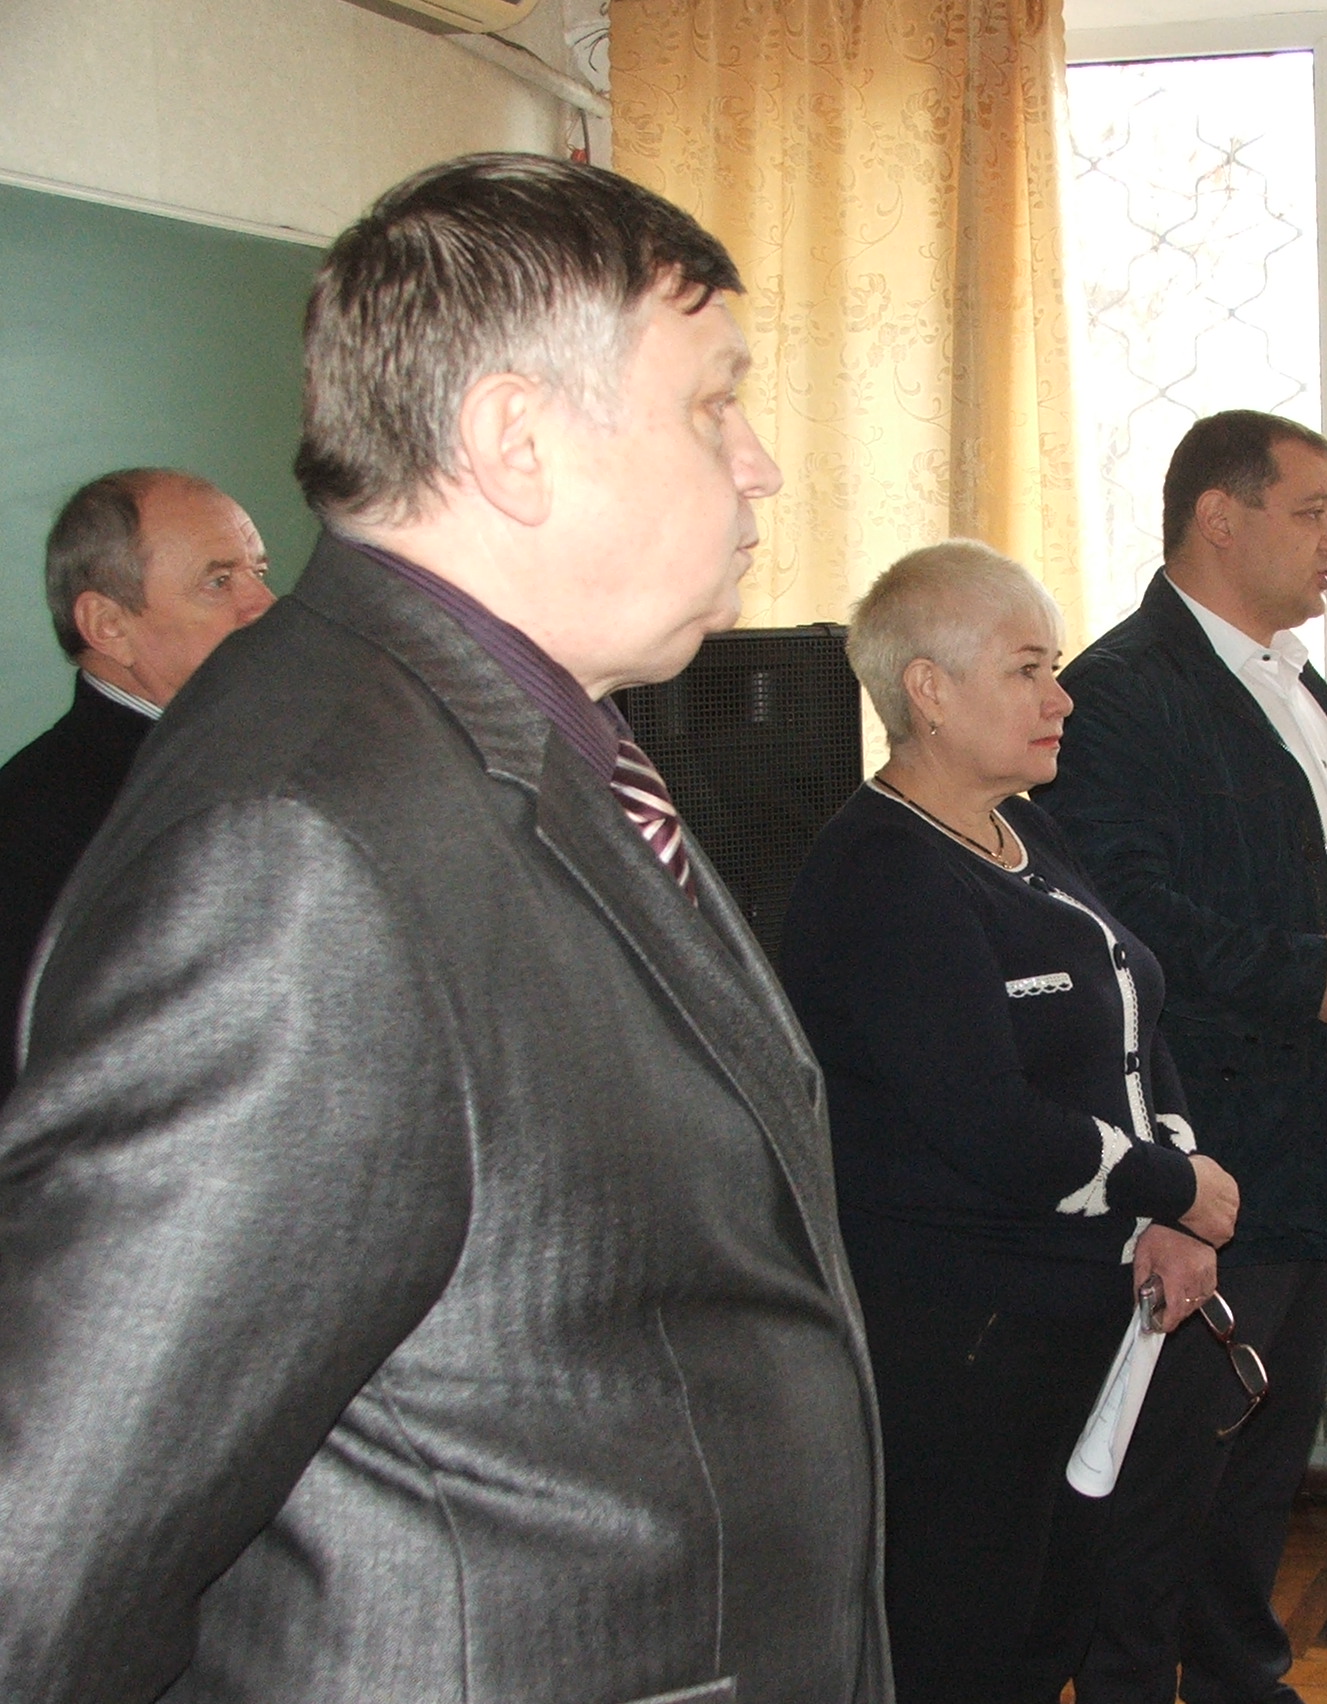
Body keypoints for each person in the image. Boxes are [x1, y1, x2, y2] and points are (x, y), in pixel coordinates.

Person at [0, 155, 886, 1703]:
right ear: (515, 442)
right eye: (712, 404)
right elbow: (44, 1551)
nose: (757, 467)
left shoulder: (519, 735)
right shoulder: (303, 850)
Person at [1035, 410, 1327, 1704]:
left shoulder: (1287, 677)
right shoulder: (1120, 694)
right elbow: (1120, 918)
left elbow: (1309, 883)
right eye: (1310, 512)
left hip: (1305, 1150)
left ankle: (1241, 1680)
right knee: (1165, 1479)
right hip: (1209, 1155)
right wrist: (1315, 974)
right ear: (1219, 518)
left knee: (1253, 1474)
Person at [780, 540, 1241, 1704]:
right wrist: (1174, 1189)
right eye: (1028, 669)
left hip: (1080, 1308)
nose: (1061, 697)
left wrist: (1171, 1195)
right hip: (963, 1334)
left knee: (1050, 1625)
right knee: (962, 1639)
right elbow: (986, 1123)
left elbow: (1135, 1018)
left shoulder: (1027, 829)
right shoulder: (882, 875)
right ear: (928, 691)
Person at [0, 467, 273, 1096]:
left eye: (258, 571)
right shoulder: (34, 828)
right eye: (218, 581)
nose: (264, 604)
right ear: (108, 626)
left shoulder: (253, 753)